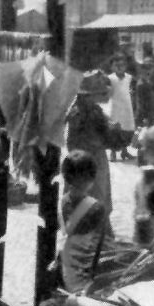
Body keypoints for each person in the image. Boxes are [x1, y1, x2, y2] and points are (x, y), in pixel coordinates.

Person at [56, 151, 109, 292]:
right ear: (91, 179)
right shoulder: (96, 208)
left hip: (63, 268)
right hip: (82, 274)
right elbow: (98, 245)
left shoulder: (61, 203)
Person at [65, 71, 113, 221]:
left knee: (99, 194)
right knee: (91, 194)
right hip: (85, 161)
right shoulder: (77, 114)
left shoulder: (94, 111)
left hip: (93, 158)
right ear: (85, 96)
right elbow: (72, 142)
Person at [107, 54, 136, 161]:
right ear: (112, 67)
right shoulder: (110, 78)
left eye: (122, 65)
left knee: (127, 130)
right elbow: (107, 93)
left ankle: (125, 151)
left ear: (126, 66)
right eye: (116, 65)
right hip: (115, 108)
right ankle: (113, 152)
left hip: (127, 108)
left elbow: (131, 91)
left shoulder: (129, 77)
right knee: (115, 130)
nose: (120, 67)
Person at [134, 43, 154, 130]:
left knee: (143, 111)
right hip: (148, 90)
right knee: (149, 112)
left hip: (146, 90)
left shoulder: (142, 64)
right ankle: (147, 128)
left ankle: (141, 128)